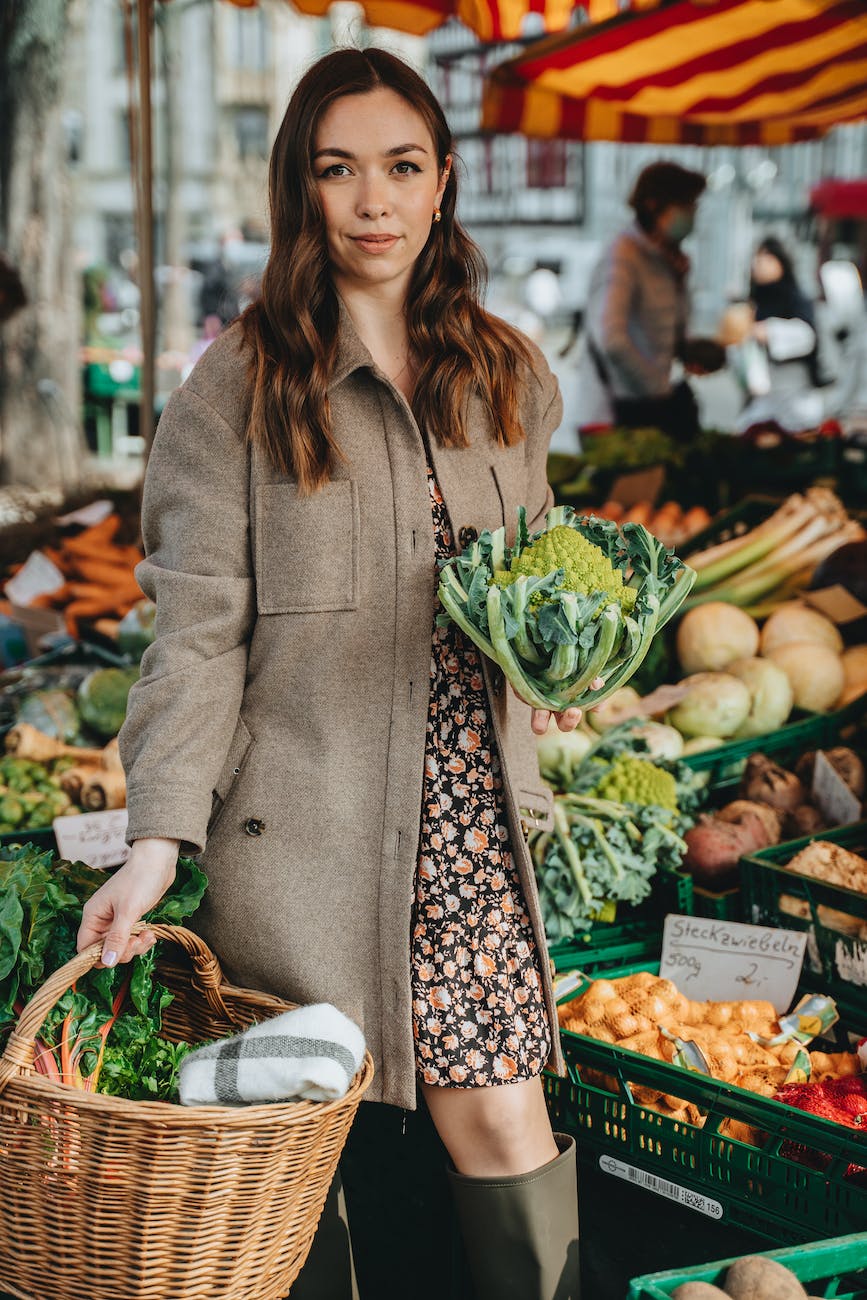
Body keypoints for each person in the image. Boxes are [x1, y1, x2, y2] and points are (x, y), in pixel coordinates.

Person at [76, 48, 585, 1300]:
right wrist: (157, 841)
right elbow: (196, 634)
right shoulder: (235, 390)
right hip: (305, 832)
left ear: (443, 179)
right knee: (319, 1184)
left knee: (504, 1122)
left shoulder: (508, 377)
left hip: (467, 830)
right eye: (338, 169)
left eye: (401, 167)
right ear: (299, 188)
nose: (373, 201)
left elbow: (541, 577)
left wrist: (562, 664)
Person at [577, 161, 718, 439]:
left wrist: (692, 351)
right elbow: (612, 340)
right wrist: (657, 388)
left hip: (646, 410)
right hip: (614, 417)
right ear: (654, 205)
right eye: (686, 205)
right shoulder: (623, 257)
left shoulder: (668, 260)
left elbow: (667, 328)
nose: (692, 214)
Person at [730, 235, 831, 433]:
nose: (760, 264)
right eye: (757, 258)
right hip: (761, 393)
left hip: (795, 392)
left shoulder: (795, 298)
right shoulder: (753, 301)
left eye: (767, 258)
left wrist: (768, 331)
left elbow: (807, 336)